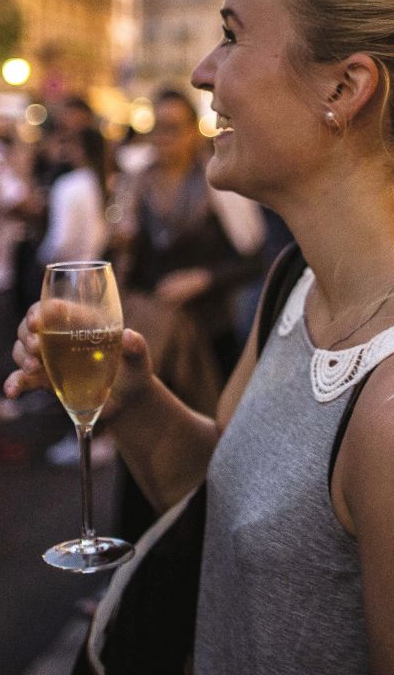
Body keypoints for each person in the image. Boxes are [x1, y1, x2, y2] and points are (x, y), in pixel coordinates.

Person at [8, 0, 394, 672]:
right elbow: (233, 509)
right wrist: (131, 400)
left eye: (233, 36)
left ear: (345, 86)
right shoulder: (299, 286)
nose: (203, 71)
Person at [109, 89, 263, 536]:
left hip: (206, 333)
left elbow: (254, 257)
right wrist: (121, 243)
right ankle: (130, 562)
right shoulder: (136, 181)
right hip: (149, 334)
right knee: (137, 447)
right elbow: (127, 264)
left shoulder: (217, 182)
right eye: (155, 128)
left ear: (193, 133)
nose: (162, 138)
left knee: (200, 449)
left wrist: (203, 278)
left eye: (172, 128)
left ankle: (190, 561)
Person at [40, 125, 111, 266]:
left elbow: (62, 240)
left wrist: (43, 258)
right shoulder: (99, 182)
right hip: (92, 268)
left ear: (80, 149)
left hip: (66, 271)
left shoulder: (68, 185)